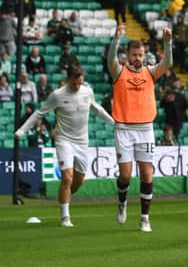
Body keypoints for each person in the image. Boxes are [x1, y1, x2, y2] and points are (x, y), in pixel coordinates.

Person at [15, 65, 114, 227]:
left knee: (78, 181)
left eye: (80, 82)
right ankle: (65, 217)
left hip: (82, 142)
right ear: (69, 79)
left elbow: (96, 109)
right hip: (64, 140)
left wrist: (114, 122)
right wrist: (22, 130)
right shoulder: (57, 95)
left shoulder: (87, 91)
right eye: (75, 83)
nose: (77, 86)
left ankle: (64, 197)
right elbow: (39, 113)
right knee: (67, 177)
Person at [108, 24, 173, 232]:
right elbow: (110, 59)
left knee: (147, 174)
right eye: (134, 55)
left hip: (145, 128)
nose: (138, 58)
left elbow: (167, 63)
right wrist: (116, 38)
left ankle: (145, 217)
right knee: (125, 175)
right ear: (127, 55)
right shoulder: (119, 71)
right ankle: (122, 201)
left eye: (141, 55)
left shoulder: (150, 73)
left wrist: (167, 43)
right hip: (124, 128)